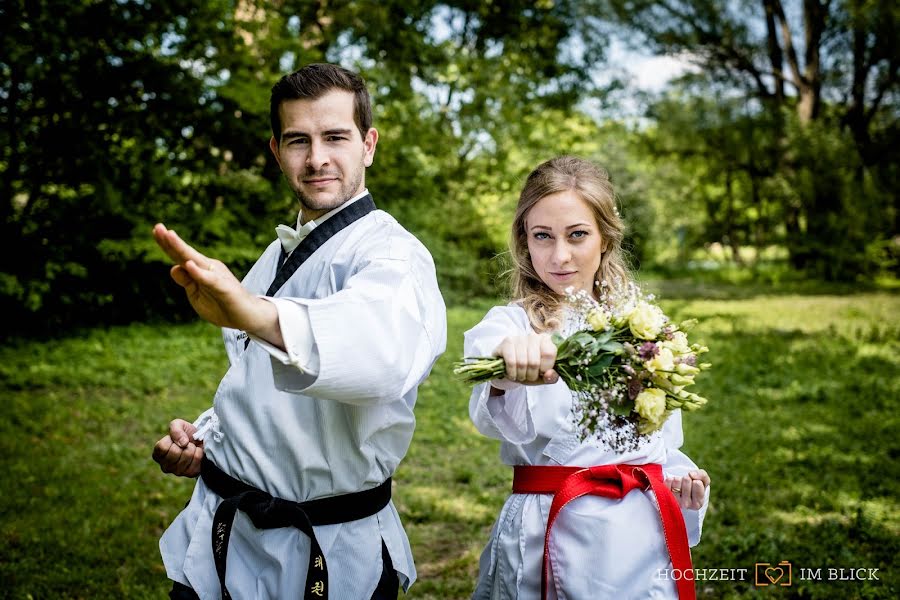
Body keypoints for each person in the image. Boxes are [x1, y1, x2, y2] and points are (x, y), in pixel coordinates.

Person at [151, 63, 447, 600]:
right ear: (276, 150)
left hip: (326, 554)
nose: (316, 159)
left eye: (336, 137)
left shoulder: (392, 255)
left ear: (368, 145)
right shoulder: (277, 253)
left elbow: (380, 356)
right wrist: (204, 438)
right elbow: (255, 381)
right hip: (223, 532)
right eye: (297, 141)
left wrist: (251, 311)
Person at [464, 156, 710, 599]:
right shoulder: (512, 324)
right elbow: (490, 361)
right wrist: (508, 367)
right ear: (525, 242)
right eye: (543, 236)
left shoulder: (646, 330)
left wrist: (682, 484)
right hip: (550, 531)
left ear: (605, 238)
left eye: (577, 235)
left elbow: (665, 445)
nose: (560, 256)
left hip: (637, 536)